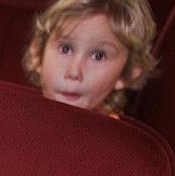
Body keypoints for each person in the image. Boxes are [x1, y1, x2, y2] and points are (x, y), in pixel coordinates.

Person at [24, 0, 158, 115]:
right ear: (38, 55)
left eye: (98, 56)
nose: (74, 72)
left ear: (126, 75)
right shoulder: (15, 116)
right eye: (65, 49)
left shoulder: (114, 141)